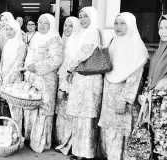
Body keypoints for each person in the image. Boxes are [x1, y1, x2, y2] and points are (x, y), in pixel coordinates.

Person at [97, 12, 148, 160]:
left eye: (123, 23)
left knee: (120, 130)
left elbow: (135, 78)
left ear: (131, 25)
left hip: (122, 98)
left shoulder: (137, 47)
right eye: (116, 23)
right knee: (108, 129)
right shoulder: (113, 41)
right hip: (108, 94)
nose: (118, 27)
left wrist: (124, 99)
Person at [55, 6, 103, 160]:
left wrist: (69, 70)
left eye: (85, 16)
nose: (82, 19)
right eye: (81, 16)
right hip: (81, 79)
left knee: (86, 118)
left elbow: (83, 54)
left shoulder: (93, 32)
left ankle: (86, 152)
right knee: (79, 117)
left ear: (93, 17)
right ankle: (78, 150)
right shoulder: (85, 33)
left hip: (89, 81)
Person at [22, 13, 63, 153]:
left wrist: (37, 67)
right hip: (33, 78)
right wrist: (28, 71)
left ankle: (42, 142)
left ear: (51, 24)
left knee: (44, 110)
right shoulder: (36, 37)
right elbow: (29, 56)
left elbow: (56, 60)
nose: (42, 25)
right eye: (40, 22)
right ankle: (32, 139)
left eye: (46, 22)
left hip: (47, 80)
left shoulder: (55, 39)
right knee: (33, 108)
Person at [141, 14, 167, 160]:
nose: (162, 32)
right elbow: (152, 75)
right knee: (155, 137)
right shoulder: (159, 50)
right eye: (161, 28)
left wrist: (154, 90)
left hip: (164, 105)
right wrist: (146, 92)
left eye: (166, 28)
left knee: (162, 140)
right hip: (154, 103)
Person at [54, 16, 82, 145]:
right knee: (61, 112)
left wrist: (63, 88)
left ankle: (68, 143)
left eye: (71, 26)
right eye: (65, 25)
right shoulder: (63, 41)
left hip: (70, 84)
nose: (67, 28)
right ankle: (61, 140)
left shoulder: (77, 43)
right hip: (61, 81)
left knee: (69, 113)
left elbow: (70, 68)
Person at [0, 20, 27, 132]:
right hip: (5, 80)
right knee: (6, 106)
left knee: (15, 108)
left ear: (17, 30)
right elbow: (2, 63)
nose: (9, 32)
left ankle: (16, 133)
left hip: (14, 81)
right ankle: (7, 132)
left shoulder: (21, 45)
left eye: (11, 29)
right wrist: (0, 78)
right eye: (7, 29)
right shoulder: (7, 43)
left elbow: (18, 65)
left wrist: (7, 79)